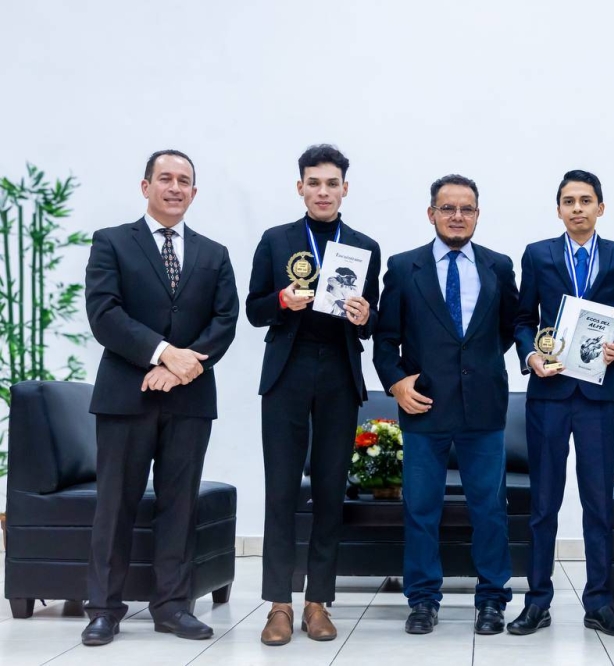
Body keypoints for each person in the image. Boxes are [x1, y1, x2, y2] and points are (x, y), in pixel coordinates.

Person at [82, 150, 239, 645]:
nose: (175, 187)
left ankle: (172, 606)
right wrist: (164, 354)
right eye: (165, 178)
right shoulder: (111, 242)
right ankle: (104, 608)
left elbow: (225, 321)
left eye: (184, 181)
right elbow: (104, 314)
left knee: (179, 505)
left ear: (195, 192)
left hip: (189, 399)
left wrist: (180, 368)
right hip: (125, 395)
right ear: (145, 186)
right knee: (116, 504)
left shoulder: (214, 253)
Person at [246, 144, 381, 646]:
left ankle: (318, 601)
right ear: (299, 187)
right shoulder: (277, 240)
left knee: (329, 491)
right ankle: (278, 604)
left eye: (331, 183)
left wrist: (367, 316)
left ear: (345, 188)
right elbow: (254, 309)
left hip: (340, 376)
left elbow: (375, 318)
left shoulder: (364, 245)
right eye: (313, 183)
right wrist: (282, 299)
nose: (322, 192)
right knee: (281, 490)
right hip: (287, 371)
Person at [373, 174, 518, 636]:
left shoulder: (499, 266)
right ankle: (422, 600)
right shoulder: (403, 267)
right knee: (420, 508)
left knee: (490, 508)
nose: (457, 216)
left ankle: (493, 599)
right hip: (423, 407)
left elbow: (503, 332)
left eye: (466, 209)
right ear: (431, 213)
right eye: (448, 208)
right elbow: (385, 339)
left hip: (484, 408)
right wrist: (396, 383)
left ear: (477, 214)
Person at [507, 170, 614, 638]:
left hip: (599, 396)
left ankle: (599, 602)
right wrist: (530, 354)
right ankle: (537, 601)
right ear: (558, 208)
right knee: (543, 504)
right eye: (569, 201)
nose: (578, 208)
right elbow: (524, 318)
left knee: (598, 503)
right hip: (549, 393)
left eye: (587, 200)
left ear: (601, 208)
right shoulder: (538, 254)